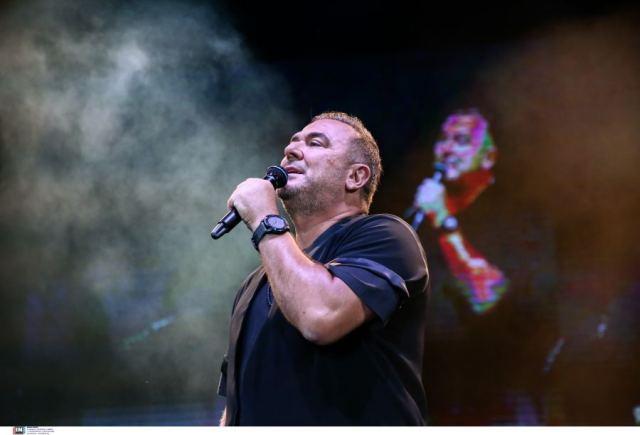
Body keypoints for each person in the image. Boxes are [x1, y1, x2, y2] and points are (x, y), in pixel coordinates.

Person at [216, 112, 430, 425]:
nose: (291, 150)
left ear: (355, 177)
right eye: (292, 143)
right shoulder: (254, 285)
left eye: (316, 143)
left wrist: (264, 219)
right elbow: (238, 403)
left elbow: (320, 317)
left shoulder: (388, 237)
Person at [407, 110, 507, 314]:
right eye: (443, 139)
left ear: (488, 157)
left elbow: (486, 299)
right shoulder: (426, 207)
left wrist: (443, 219)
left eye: (461, 140)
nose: (446, 149)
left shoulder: (509, 214)